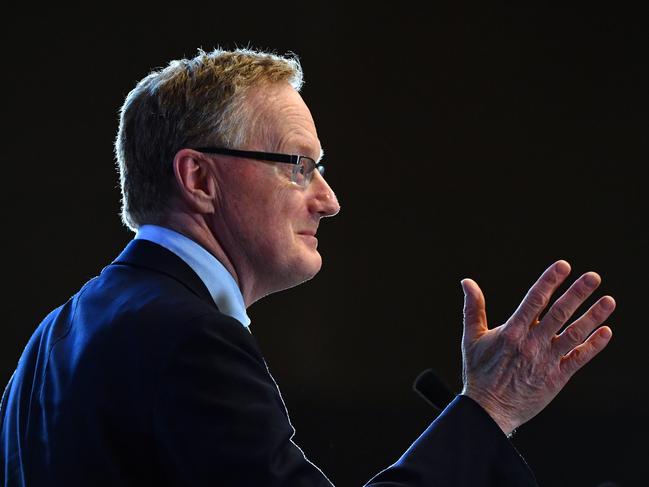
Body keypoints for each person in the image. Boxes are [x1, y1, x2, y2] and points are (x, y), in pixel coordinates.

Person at [0, 48, 615, 486]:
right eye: (298, 165)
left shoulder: (48, 342)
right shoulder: (188, 339)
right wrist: (491, 409)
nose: (328, 199)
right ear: (199, 178)